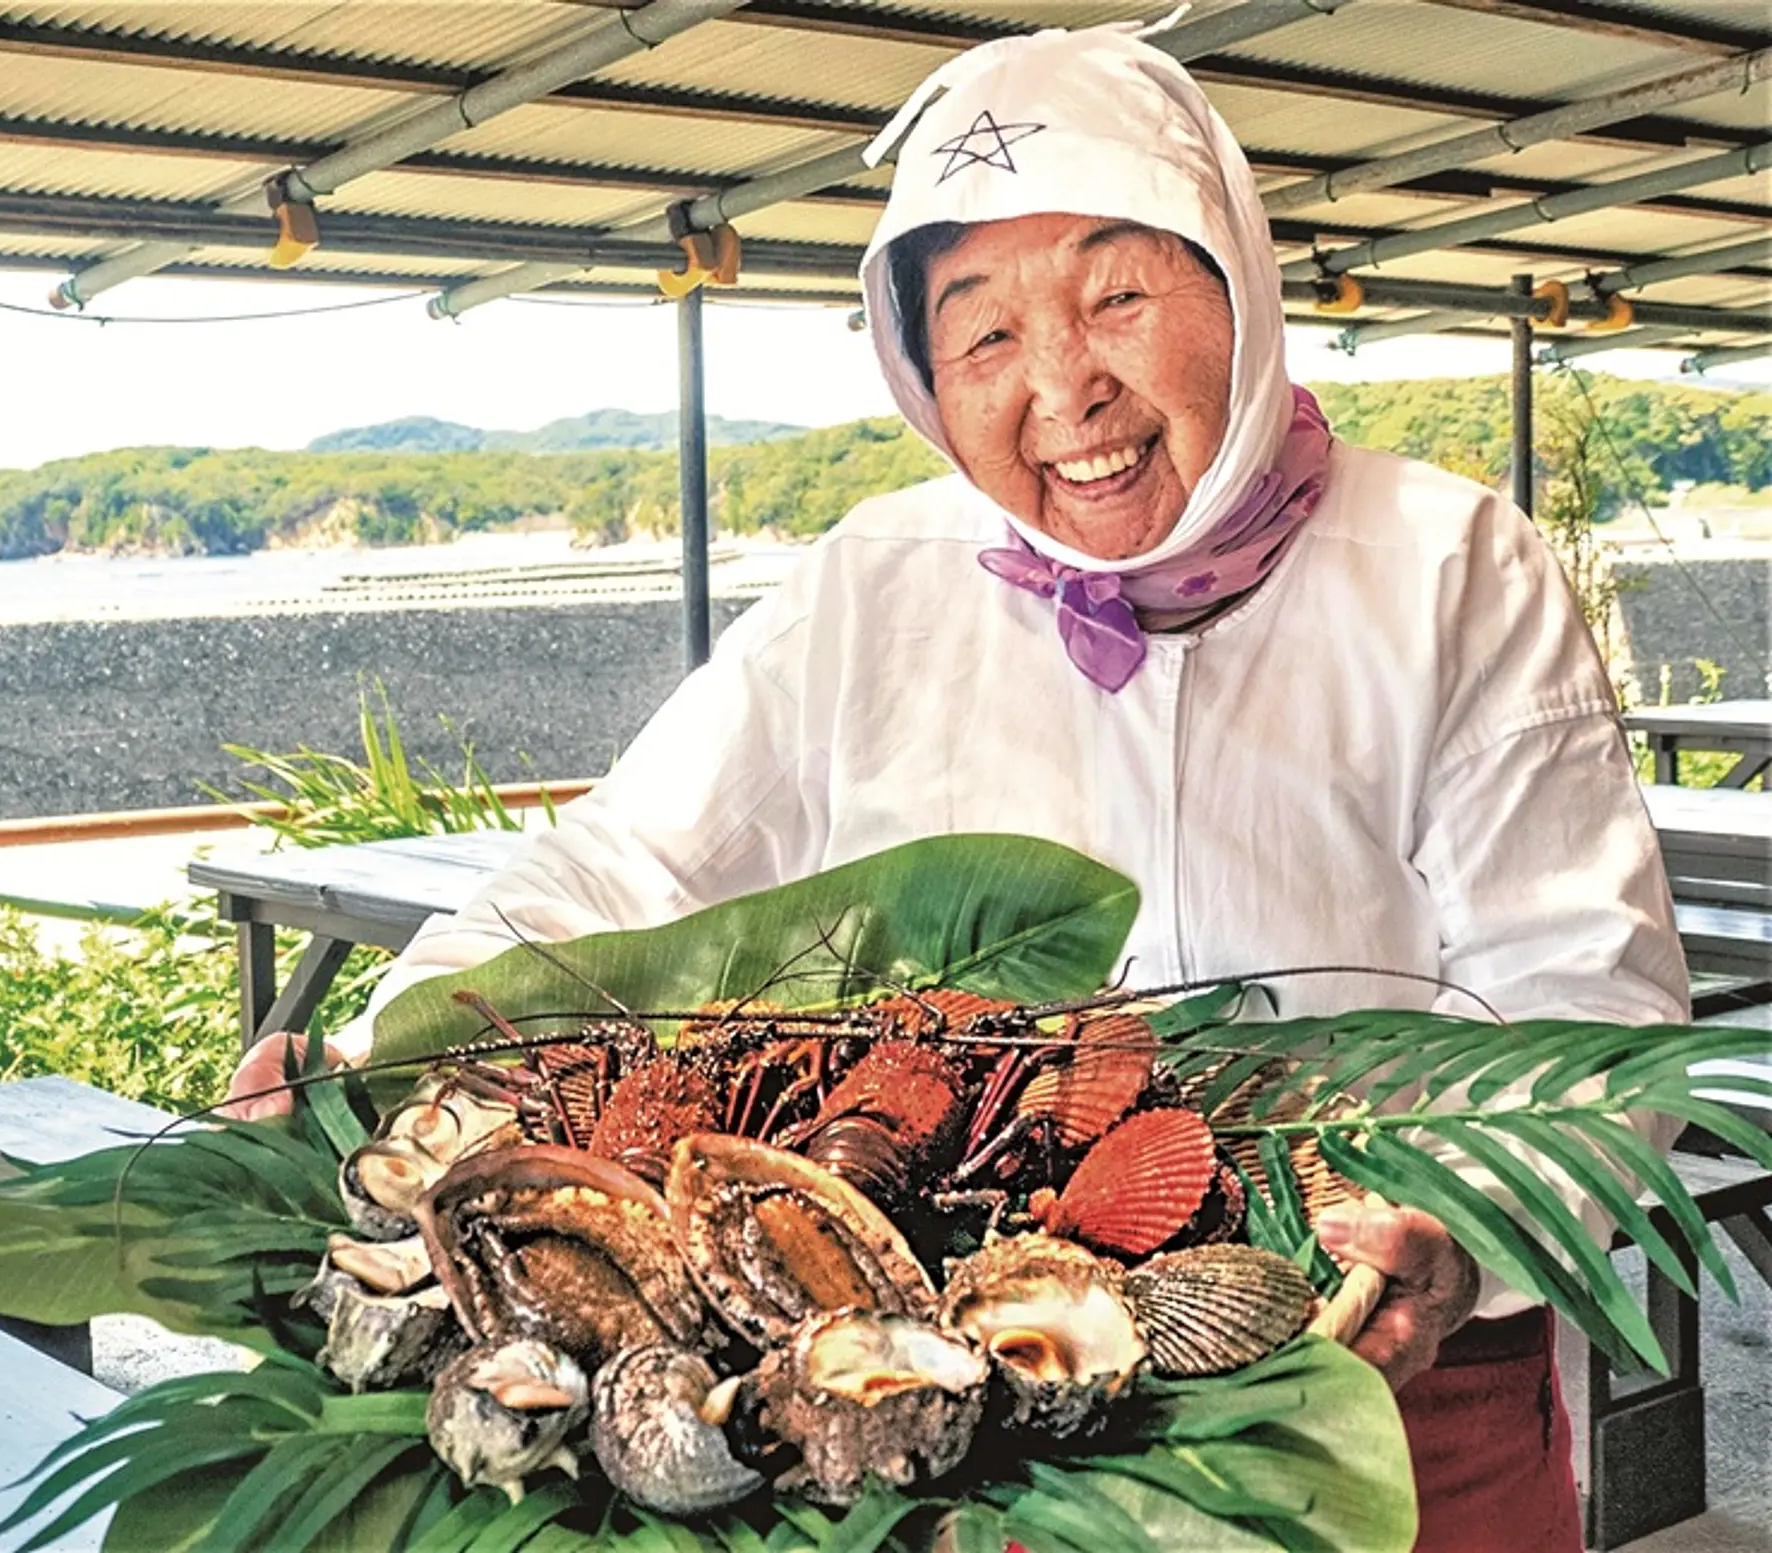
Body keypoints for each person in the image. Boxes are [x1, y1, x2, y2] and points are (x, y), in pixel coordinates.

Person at [229, 23, 1687, 1551]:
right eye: (984, 336)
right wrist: (397, 1055)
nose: (1066, 389)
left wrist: (1446, 1232)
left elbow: (1583, 996)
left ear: (1241, 287)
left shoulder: (1451, 563)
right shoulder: (873, 577)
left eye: (1119, 294)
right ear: (919, 368)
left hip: (1378, 1387)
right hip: (949, 1420)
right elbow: (627, 869)